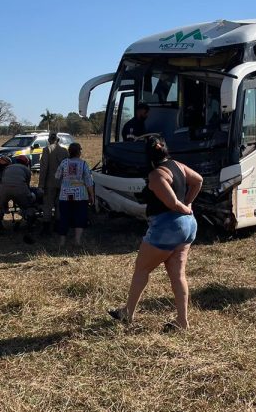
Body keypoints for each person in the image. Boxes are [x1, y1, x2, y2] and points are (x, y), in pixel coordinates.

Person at [109, 135, 202, 330]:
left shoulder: (157, 175)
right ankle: (182, 321)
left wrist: (185, 207)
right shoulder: (177, 165)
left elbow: (172, 203)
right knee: (178, 275)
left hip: (167, 227)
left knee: (141, 269)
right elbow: (198, 181)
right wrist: (189, 203)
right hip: (188, 227)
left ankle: (128, 313)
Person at [55, 142, 94, 245]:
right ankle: (77, 240)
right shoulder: (84, 164)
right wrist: (92, 195)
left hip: (64, 195)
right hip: (80, 196)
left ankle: (62, 242)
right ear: (79, 152)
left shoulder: (64, 163)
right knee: (80, 217)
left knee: (64, 217)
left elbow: (57, 176)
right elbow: (89, 181)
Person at [0, 155, 36, 233]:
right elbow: (27, 185)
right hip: (20, 188)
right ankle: (30, 226)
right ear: (26, 163)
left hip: (4, 189)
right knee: (29, 205)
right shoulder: (26, 170)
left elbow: (3, 179)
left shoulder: (7, 168)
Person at [38, 132, 70, 235]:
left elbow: (43, 168)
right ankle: (58, 226)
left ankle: (46, 228)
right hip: (63, 182)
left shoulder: (47, 149)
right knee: (59, 205)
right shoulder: (65, 151)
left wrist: (41, 185)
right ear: (58, 140)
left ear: (48, 140)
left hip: (49, 183)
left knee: (47, 205)